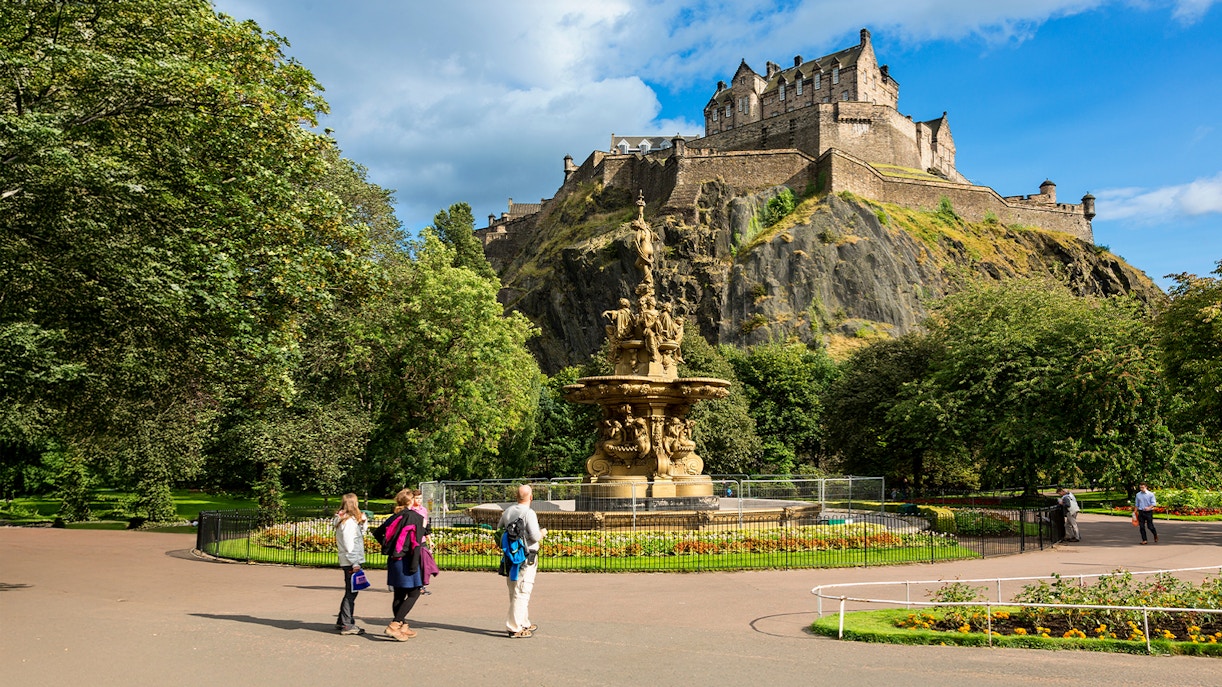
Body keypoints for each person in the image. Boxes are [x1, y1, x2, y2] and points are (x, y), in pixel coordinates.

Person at [372, 488, 430, 641]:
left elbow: (377, 532)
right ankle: (395, 624)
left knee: (399, 594)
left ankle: (403, 625)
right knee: (415, 592)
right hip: (409, 558)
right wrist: (414, 564)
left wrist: (387, 546)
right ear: (411, 501)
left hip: (394, 559)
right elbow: (417, 543)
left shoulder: (395, 516)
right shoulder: (415, 517)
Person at [498, 484, 547, 638]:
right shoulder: (529, 513)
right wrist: (543, 532)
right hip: (527, 556)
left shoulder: (508, 511)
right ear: (531, 497)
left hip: (511, 556)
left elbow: (499, 530)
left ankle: (524, 621)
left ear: (516, 497)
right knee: (523, 591)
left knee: (514, 589)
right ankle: (514, 627)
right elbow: (534, 536)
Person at [333, 493, 368, 635]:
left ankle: (342, 620)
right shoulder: (347, 523)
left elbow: (359, 535)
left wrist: (363, 522)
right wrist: (355, 563)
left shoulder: (347, 520)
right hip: (350, 561)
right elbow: (349, 544)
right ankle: (347, 624)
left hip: (349, 560)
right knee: (351, 592)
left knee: (351, 591)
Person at [411, 489, 440, 594]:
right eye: (417, 498)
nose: (419, 500)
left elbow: (426, 527)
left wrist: (430, 540)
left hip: (422, 540)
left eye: (420, 498)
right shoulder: (410, 510)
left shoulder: (423, 510)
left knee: (425, 563)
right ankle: (416, 585)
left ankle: (422, 586)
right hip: (413, 540)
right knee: (415, 563)